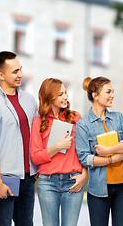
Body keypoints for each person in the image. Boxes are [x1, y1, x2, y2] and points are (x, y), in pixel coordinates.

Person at [0, 51, 38, 226]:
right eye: (15, 71)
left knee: (26, 223)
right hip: (5, 177)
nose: (20, 74)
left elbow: (36, 136)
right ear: (1, 75)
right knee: (2, 223)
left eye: (20, 69)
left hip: (28, 177)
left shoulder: (29, 100)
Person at [75, 76, 123, 226]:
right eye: (108, 92)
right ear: (95, 96)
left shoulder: (118, 117)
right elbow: (85, 158)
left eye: (113, 92)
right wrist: (111, 159)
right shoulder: (83, 124)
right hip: (98, 189)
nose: (112, 95)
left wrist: (108, 150)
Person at [31, 78, 87, 226]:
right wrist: (57, 147)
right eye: (61, 94)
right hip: (48, 183)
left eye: (66, 92)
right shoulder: (38, 123)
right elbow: (35, 157)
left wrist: (84, 174)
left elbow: (83, 151)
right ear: (50, 96)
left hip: (73, 181)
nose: (66, 97)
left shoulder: (75, 118)